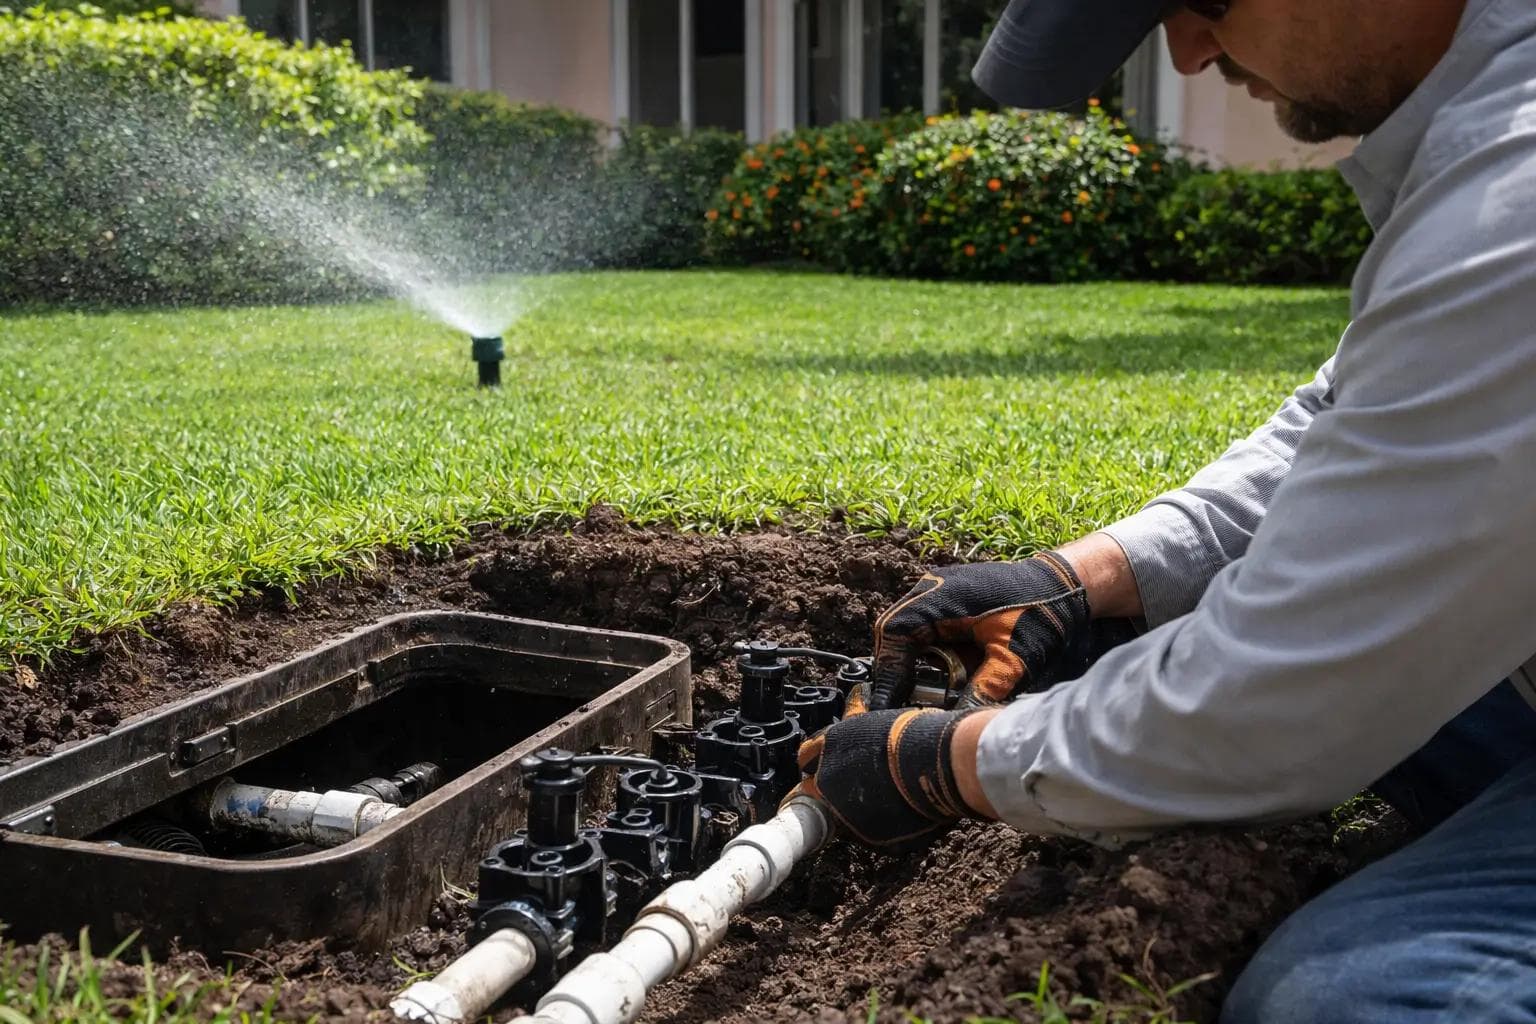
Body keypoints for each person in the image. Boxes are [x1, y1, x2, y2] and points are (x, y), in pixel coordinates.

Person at [789, 0, 1536, 1020]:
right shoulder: (1482, 141)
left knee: (1346, 1001)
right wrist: (1080, 577)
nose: (1187, 50)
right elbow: (1367, 414)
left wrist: (945, 761)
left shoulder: (1515, 197)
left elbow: (1273, 708)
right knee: (1117, 661)